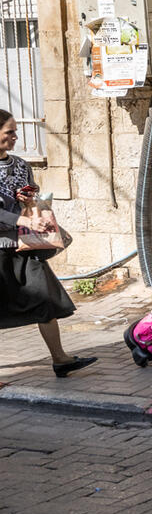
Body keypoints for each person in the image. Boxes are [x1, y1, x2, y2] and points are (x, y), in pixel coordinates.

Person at [0, 110, 97, 378]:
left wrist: (29, 201)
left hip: (25, 246)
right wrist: (25, 220)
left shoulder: (20, 165)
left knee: (44, 298)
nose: (15, 136)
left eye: (15, 130)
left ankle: (60, 359)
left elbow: (30, 193)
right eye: (10, 131)